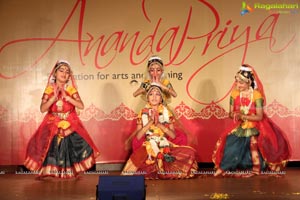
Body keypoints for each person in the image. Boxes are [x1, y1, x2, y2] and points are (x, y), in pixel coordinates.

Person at [24, 60, 100, 179]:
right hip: (52, 123)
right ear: (55, 73)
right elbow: (43, 109)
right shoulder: (49, 89)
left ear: (69, 76)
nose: (64, 73)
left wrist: (68, 99)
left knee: (77, 145)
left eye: (67, 71)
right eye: (61, 70)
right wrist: (52, 99)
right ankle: (48, 171)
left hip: (69, 122)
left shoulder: (71, 90)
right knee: (48, 147)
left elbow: (81, 105)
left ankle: (70, 171)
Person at [212, 64, 291, 178]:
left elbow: (259, 116)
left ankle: (256, 169)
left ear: (249, 82)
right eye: (237, 82)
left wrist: (243, 116)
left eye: (241, 83)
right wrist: (234, 115)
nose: (238, 85)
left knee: (254, 143)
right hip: (241, 125)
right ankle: (224, 168)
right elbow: (230, 113)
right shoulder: (234, 94)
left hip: (256, 125)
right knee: (231, 143)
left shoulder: (256, 95)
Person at [122, 84, 198, 179]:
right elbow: (138, 137)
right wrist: (150, 122)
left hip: (165, 143)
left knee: (190, 153)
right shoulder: (142, 112)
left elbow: (173, 136)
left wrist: (159, 124)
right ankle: (159, 169)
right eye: (151, 94)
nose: (154, 97)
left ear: (161, 98)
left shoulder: (167, 112)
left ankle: (163, 167)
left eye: (157, 94)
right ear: (147, 98)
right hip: (148, 145)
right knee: (139, 165)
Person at [128, 55, 189, 147]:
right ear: (149, 71)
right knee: (141, 134)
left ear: (162, 71)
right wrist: (149, 86)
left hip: (163, 109)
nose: (155, 72)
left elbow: (174, 94)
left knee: (174, 134)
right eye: (152, 70)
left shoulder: (165, 82)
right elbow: (135, 94)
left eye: (158, 70)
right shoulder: (147, 82)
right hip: (149, 109)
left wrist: (160, 85)